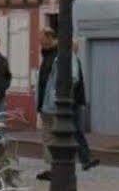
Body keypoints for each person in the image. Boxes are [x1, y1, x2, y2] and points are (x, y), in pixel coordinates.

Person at [35, 29, 97, 180]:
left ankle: (62, 167)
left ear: (51, 38)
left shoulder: (62, 55)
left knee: (63, 135)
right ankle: (56, 166)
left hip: (57, 104)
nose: (39, 41)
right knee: (50, 136)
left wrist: (60, 95)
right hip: (47, 104)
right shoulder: (47, 55)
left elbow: (74, 78)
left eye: (42, 38)